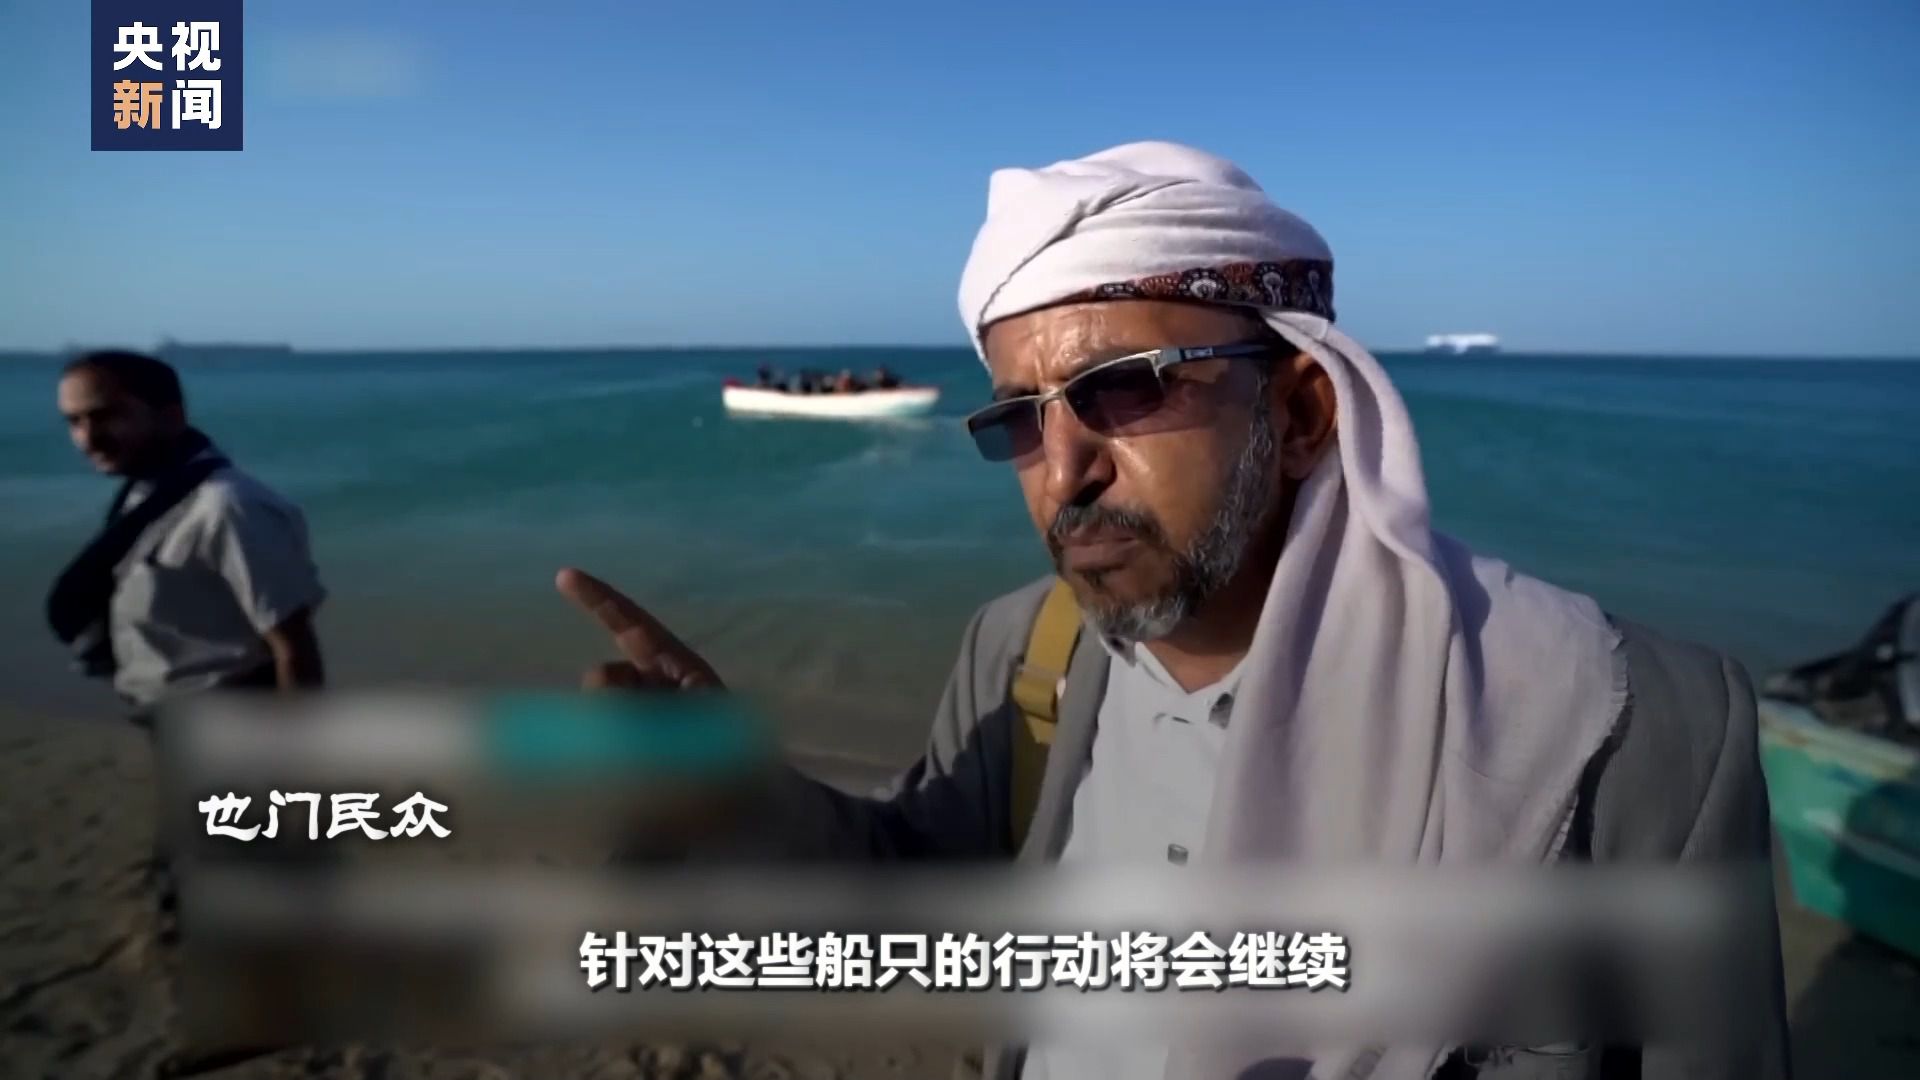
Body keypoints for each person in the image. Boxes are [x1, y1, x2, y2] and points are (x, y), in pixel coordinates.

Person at [556, 143, 1788, 1080]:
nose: (1065, 469)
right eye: (1021, 418)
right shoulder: (1023, 654)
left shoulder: (1626, 730)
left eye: (1125, 389)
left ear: (1300, 413)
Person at [48, 350, 327, 713]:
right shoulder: (144, 498)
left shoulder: (228, 507)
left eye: (108, 416)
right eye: (74, 422)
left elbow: (293, 648)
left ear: (171, 417)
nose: (88, 439)